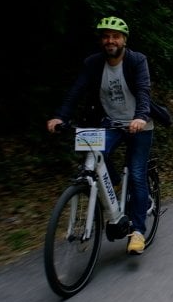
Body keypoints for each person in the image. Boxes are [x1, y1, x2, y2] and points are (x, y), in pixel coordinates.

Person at [46, 16, 154, 255]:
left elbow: (144, 91)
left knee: (136, 175)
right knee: (92, 156)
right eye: (105, 36)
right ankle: (115, 191)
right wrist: (60, 116)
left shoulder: (136, 61)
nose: (110, 40)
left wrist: (140, 117)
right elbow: (76, 91)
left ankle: (137, 231)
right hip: (110, 124)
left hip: (139, 125)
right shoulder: (93, 63)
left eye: (115, 36)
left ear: (124, 40)